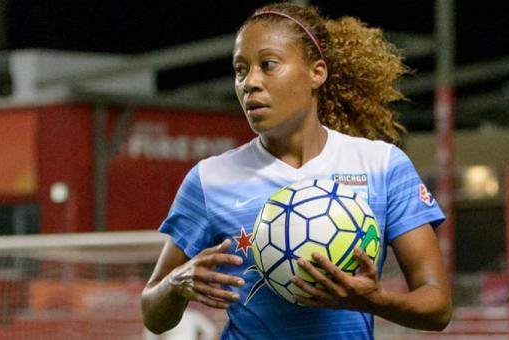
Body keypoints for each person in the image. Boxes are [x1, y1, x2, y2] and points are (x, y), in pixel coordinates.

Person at [141, 3, 452, 339]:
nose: (250, 83)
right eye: (240, 70)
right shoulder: (209, 179)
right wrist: (175, 283)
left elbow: (437, 307)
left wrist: (374, 300)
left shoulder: (382, 166)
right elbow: (153, 316)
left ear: (316, 72)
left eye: (268, 65)